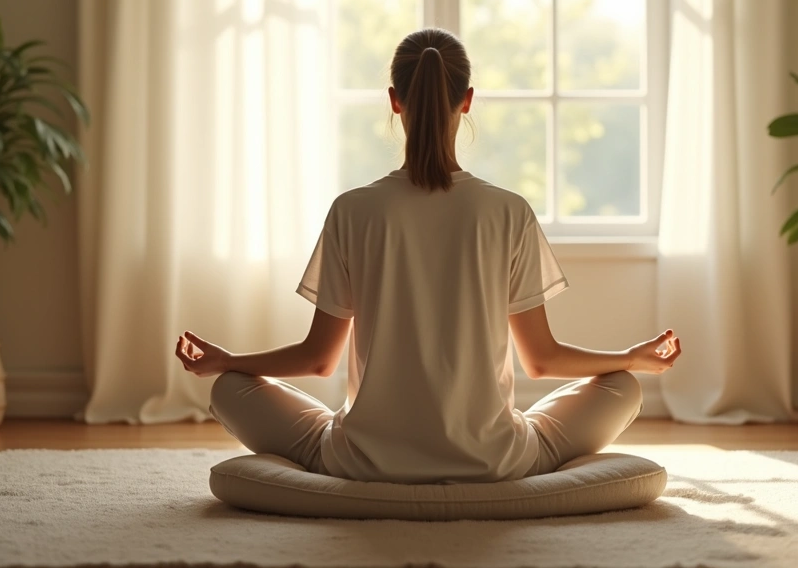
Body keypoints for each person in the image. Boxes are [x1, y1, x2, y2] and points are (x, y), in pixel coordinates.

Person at [174, 27, 683, 484]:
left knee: (229, 390)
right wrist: (628, 358)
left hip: (362, 461)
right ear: (467, 100)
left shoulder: (354, 209)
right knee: (624, 388)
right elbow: (543, 360)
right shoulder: (508, 211)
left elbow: (318, 358)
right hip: (496, 460)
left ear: (395, 101)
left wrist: (230, 361)